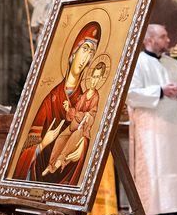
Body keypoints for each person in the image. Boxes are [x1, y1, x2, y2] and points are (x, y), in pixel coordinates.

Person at [127, 24, 177, 215]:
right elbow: (130, 93)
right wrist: (160, 91)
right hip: (149, 129)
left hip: (174, 126)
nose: (168, 40)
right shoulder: (137, 64)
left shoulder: (173, 64)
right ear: (149, 40)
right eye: (163, 36)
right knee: (152, 170)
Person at [10, 21, 100, 183]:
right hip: (37, 177)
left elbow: (87, 128)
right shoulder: (50, 99)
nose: (86, 57)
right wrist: (43, 143)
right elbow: (24, 150)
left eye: (91, 53)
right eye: (84, 49)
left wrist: (83, 146)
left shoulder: (85, 98)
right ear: (74, 51)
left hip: (65, 178)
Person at [44, 61, 106, 179]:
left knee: (74, 137)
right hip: (73, 124)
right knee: (60, 139)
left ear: (100, 79)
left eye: (97, 77)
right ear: (90, 77)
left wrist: (86, 116)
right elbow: (76, 110)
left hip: (81, 129)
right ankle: (50, 165)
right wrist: (69, 108)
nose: (94, 80)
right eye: (93, 76)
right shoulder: (85, 94)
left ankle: (60, 161)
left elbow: (93, 116)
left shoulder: (96, 97)